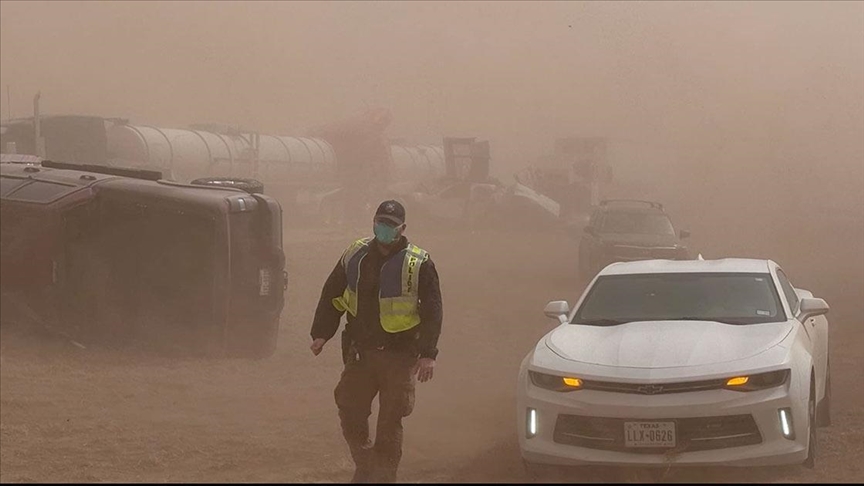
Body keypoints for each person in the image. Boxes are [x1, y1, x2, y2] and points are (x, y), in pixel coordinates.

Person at [310, 199, 443, 483]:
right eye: (380, 222)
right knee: (349, 409)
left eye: (391, 225)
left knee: (389, 423)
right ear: (373, 222)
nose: (384, 228)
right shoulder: (355, 254)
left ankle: (383, 477)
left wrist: (428, 353)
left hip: (400, 356)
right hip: (361, 354)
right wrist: (321, 333)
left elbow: (433, 309)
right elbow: (333, 292)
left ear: (402, 228)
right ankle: (366, 462)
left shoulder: (418, 262)